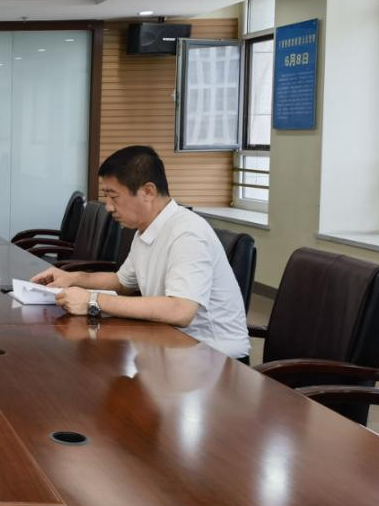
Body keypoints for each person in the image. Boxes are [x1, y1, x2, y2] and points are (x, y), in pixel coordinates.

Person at [31, 145, 250, 360]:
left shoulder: (188, 233)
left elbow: (180, 310)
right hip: (168, 345)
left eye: (114, 196)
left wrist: (92, 301)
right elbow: (123, 282)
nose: (108, 207)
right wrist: (73, 278)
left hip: (214, 359)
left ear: (148, 192)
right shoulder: (146, 229)